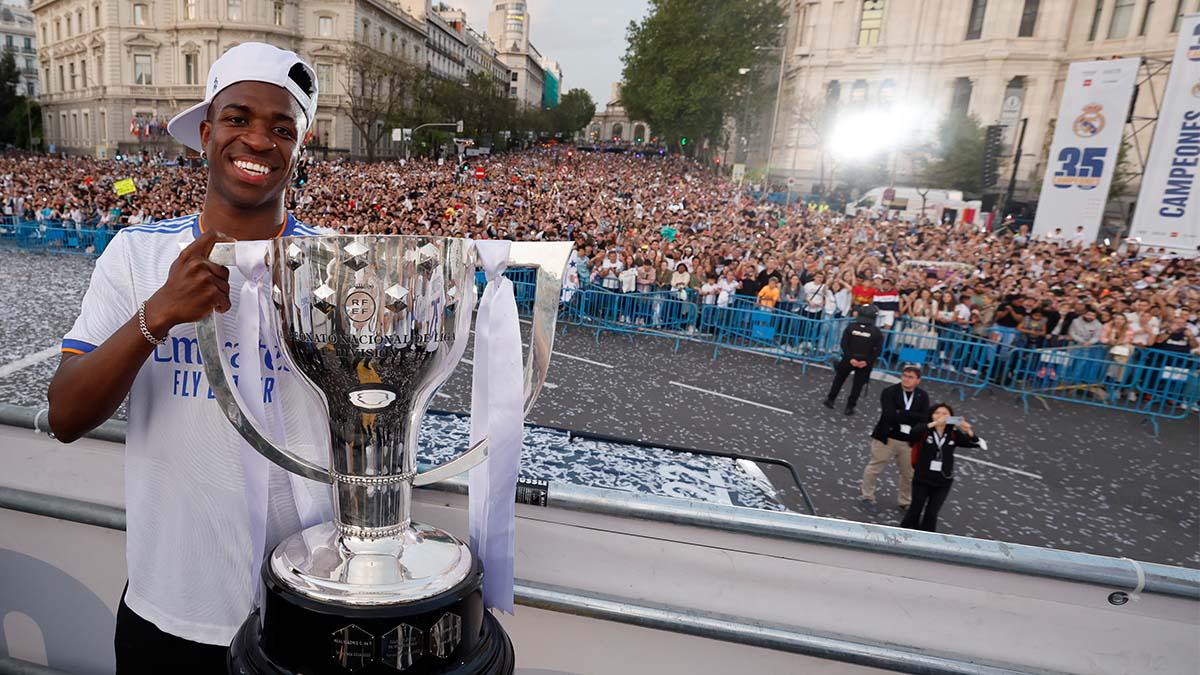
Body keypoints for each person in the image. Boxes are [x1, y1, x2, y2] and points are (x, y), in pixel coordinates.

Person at [46, 43, 329, 671]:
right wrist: (157, 315)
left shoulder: (336, 264)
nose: (259, 140)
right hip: (167, 611)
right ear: (206, 133)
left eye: (282, 128)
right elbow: (65, 415)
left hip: (305, 607)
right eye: (237, 118)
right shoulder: (136, 254)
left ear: (299, 148)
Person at [900, 403, 980, 531]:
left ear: (950, 417)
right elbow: (913, 433)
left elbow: (975, 444)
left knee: (932, 513)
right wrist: (935, 423)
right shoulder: (925, 430)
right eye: (937, 413)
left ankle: (927, 536)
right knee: (915, 509)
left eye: (945, 414)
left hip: (943, 481)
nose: (941, 416)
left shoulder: (953, 433)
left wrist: (968, 431)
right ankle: (905, 533)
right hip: (922, 478)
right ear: (931, 415)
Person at [862, 365, 930, 513]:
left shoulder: (922, 396)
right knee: (875, 467)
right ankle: (867, 496)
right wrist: (912, 416)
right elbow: (889, 416)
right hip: (887, 437)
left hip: (908, 441)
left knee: (909, 473)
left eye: (910, 377)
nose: (906, 379)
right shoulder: (889, 392)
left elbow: (925, 418)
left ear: (918, 380)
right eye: (904, 375)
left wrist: (902, 413)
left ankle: (905, 501)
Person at [824, 304, 884, 415]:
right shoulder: (876, 332)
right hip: (864, 362)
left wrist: (850, 358)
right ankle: (850, 407)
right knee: (857, 385)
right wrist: (866, 361)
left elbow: (844, 344)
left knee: (839, 379)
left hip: (848, 359)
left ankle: (830, 399)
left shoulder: (851, 327)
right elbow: (878, 350)